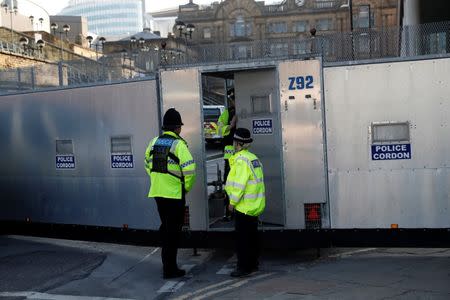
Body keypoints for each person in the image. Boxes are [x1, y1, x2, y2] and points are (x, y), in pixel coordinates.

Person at [144, 108, 196, 279]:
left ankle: (168, 266)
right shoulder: (179, 145)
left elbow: (147, 163)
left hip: (158, 192)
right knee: (173, 232)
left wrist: (157, 180)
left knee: (166, 229)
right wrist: (185, 187)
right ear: (177, 128)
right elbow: (190, 169)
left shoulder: (153, 142)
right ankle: (170, 269)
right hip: (174, 194)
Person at [225, 128, 265, 277]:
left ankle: (243, 268)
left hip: (243, 207)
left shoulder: (241, 161)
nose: (233, 144)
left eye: (235, 142)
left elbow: (239, 186)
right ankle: (253, 264)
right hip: (254, 205)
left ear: (238, 143)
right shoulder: (253, 158)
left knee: (242, 240)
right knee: (252, 237)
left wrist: (232, 203)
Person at [217, 88, 237, 220]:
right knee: (229, 184)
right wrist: (231, 125)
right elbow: (219, 128)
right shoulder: (227, 113)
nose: (233, 101)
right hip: (230, 157)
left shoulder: (243, 111)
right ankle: (229, 212)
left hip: (242, 156)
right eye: (232, 99)